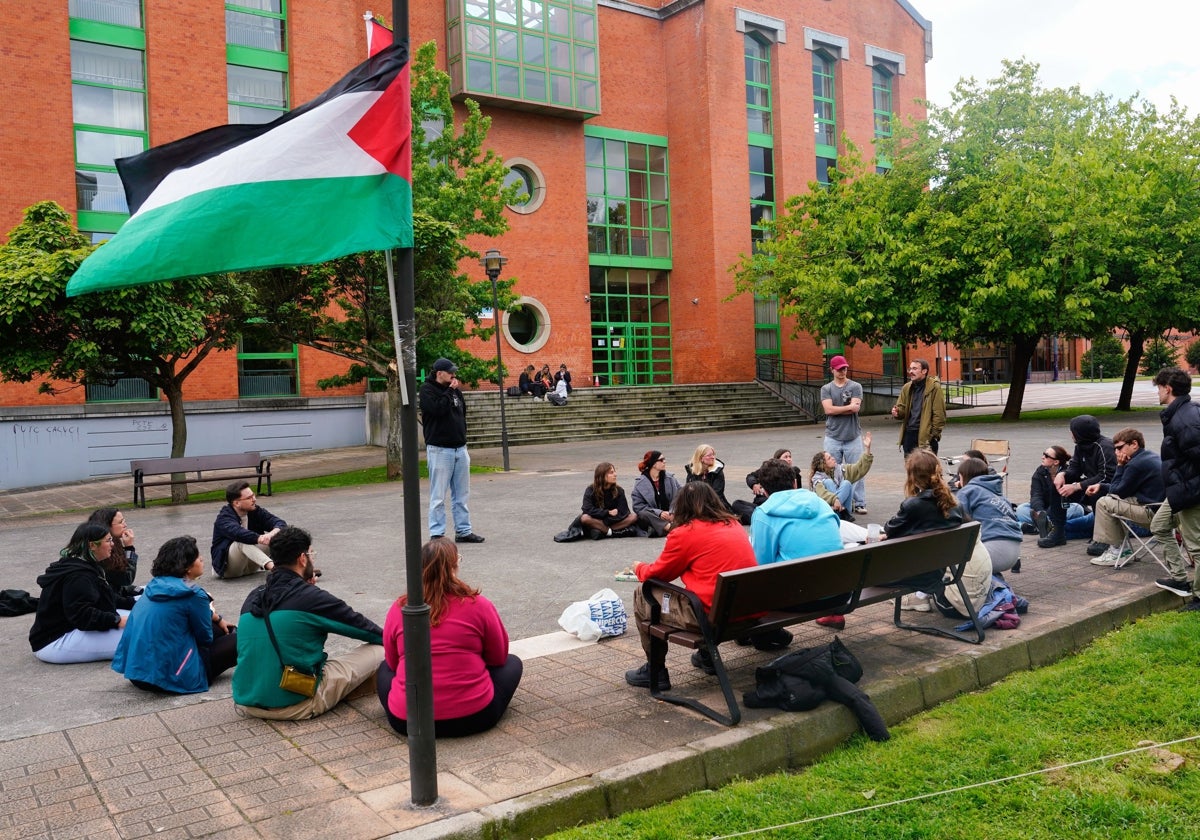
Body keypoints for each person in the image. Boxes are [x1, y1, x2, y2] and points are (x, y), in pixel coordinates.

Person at [232, 527, 383, 720]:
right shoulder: (312, 598)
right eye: (311, 554)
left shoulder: (254, 596)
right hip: (296, 703)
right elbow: (367, 630)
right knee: (382, 649)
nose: (312, 559)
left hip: (247, 703)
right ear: (302, 558)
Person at [623, 482, 761, 692]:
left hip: (713, 618)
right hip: (748, 610)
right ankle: (707, 656)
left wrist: (638, 567)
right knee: (708, 593)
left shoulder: (686, 533)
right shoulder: (732, 524)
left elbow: (658, 575)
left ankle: (656, 671)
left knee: (644, 594)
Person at [377, 539, 522, 737]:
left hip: (408, 723)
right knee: (513, 663)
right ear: (454, 567)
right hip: (475, 717)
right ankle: (468, 695)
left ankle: (406, 703)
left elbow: (393, 663)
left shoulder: (400, 608)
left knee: (384, 670)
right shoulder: (478, 604)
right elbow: (498, 657)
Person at [112, 536, 238, 694]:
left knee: (219, 629)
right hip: (170, 678)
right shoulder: (194, 593)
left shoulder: (156, 585)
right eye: (198, 557)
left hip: (137, 675)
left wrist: (218, 619)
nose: (202, 559)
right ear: (187, 567)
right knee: (239, 638)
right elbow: (205, 638)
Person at [884, 449, 991, 618]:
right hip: (956, 582)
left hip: (945, 598)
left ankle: (916, 598)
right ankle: (917, 598)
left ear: (912, 477)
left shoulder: (913, 505)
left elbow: (890, 529)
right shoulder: (955, 504)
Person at [751, 456, 846, 628]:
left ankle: (765, 634)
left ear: (764, 490)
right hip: (840, 593)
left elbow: (761, 565)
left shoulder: (763, 513)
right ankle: (834, 615)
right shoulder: (821, 503)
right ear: (795, 483)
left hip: (797, 599)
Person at [29, 522, 133, 663]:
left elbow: (105, 597)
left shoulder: (84, 564)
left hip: (70, 629)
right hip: (55, 641)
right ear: (91, 545)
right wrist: (117, 620)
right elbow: (82, 615)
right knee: (142, 639)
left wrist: (135, 603)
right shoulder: (78, 576)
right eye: (108, 540)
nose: (113, 544)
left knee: (144, 621)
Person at [1148, 368, 1200, 606]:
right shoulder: (1180, 414)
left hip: (1191, 490)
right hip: (1181, 488)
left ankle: (1198, 596)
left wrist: (1191, 487)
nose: (1157, 392)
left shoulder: (1185, 418)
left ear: (1168, 388)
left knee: (1196, 546)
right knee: (1159, 525)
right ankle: (1180, 579)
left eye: (1158, 387)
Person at [419, 357, 484, 543]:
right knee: (438, 495)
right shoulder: (427, 390)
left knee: (461, 494)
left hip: (459, 448)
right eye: (450, 373)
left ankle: (463, 530)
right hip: (440, 450)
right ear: (439, 373)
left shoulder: (455, 391)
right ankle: (437, 533)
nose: (454, 375)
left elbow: (462, 412)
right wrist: (449, 391)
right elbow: (437, 410)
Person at [1084, 427, 1164, 566]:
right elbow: (1126, 488)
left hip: (1154, 515)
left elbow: (1116, 492)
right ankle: (1121, 547)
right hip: (1165, 511)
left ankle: (1116, 550)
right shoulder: (1149, 456)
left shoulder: (1135, 464)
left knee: (1104, 502)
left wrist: (1120, 466)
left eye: (1120, 448)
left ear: (1134, 444)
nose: (1116, 452)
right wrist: (1102, 486)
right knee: (1114, 501)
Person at [1051, 415, 1117, 552]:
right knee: (1057, 486)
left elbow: (1106, 477)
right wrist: (1061, 474)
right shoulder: (1080, 446)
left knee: (1096, 491)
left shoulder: (1105, 447)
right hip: (1089, 486)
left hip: (1109, 489)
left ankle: (1102, 538)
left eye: (1072, 431)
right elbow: (1074, 470)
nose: (1070, 434)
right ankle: (1058, 532)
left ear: (1079, 433)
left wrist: (1076, 486)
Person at [954, 457, 1023, 575]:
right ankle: (993, 582)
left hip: (992, 549)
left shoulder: (967, 491)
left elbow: (957, 521)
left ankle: (925, 592)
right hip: (1014, 551)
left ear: (963, 476)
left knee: (949, 560)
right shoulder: (998, 494)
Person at [1020, 444, 1094, 545]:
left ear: (1056, 461)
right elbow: (1036, 495)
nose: (1042, 457)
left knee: (1077, 509)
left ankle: (1043, 524)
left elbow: (1075, 497)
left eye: (1046, 456)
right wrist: (1040, 511)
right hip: (1044, 508)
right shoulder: (1039, 472)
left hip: (1064, 509)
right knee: (1021, 509)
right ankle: (1044, 522)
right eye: (1043, 454)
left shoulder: (1068, 473)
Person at [821, 354, 867, 514]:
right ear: (832, 370)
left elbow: (856, 408)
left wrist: (836, 409)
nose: (843, 371)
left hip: (852, 436)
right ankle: (834, 500)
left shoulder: (855, 386)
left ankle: (859, 502)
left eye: (845, 368)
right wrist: (847, 408)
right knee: (831, 470)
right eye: (839, 369)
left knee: (857, 469)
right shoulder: (826, 389)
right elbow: (828, 410)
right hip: (833, 436)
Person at [211, 481, 286, 579]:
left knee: (278, 536)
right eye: (249, 498)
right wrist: (259, 538)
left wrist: (272, 534)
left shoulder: (254, 511)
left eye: (253, 495)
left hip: (251, 567)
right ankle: (275, 569)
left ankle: (296, 567)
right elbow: (238, 533)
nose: (254, 499)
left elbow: (280, 523)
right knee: (241, 542)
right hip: (228, 569)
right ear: (237, 503)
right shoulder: (224, 518)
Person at [808, 432, 875, 521]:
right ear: (822, 464)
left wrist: (867, 449)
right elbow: (822, 494)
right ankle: (840, 512)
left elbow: (859, 469)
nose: (833, 458)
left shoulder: (840, 469)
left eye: (831, 456)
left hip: (843, 509)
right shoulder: (817, 478)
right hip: (828, 510)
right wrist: (834, 500)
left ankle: (841, 511)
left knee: (846, 483)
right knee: (828, 482)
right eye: (829, 458)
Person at [890, 359, 946, 456]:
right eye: (910, 369)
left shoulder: (934, 387)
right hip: (909, 435)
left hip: (926, 436)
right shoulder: (907, 387)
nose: (911, 372)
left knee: (927, 469)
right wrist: (897, 412)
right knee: (911, 469)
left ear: (924, 371)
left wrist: (932, 434)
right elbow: (901, 409)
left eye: (915, 368)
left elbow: (939, 415)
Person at [87, 507, 141, 597]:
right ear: (107, 526)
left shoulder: (115, 543)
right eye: (121, 522)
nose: (125, 525)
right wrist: (129, 548)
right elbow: (126, 578)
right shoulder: (101, 550)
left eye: (124, 521)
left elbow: (116, 582)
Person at [580, 462, 639, 538]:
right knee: (585, 518)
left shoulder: (619, 490)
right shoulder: (591, 490)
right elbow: (587, 509)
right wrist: (607, 513)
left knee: (633, 517)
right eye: (611, 472)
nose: (615, 474)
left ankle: (604, 531)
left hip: (613, 522)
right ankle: (612, 532)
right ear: (602, 475)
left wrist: (607, 521)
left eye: (614, 471)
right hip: (597, 520)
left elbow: (624, 512)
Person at [631, 450, 681, 537]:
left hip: (672, 515)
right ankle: (669, 528)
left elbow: (680, 494)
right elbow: (637, 506)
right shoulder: (640, 483)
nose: (664, 461)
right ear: (653, 464)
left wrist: (672, 512)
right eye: (661, 460)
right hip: (653, 516)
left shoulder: (670, 478)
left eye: (664, 459)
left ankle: (658, 529)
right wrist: (659, 513)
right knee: (643, 514)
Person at [685, 443, 731, 510]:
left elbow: (717, 494)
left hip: (715, 504)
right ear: (700, 458)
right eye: (709, 455)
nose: (713, 457)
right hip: (696, 505)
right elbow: (689, 492)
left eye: (713, 454)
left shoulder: (717, 472)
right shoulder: (692, 472)